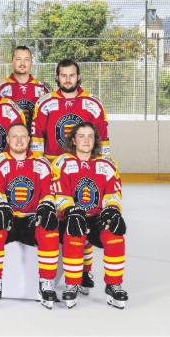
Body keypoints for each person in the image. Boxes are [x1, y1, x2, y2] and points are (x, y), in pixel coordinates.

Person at [51, 122, 127, 309]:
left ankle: (114, 284)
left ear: (96, 140)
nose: (86, 140)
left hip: (97, 217)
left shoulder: (107, 164)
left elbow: (113, 193)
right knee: (74, 234)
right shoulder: (62, 162)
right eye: (81, 136)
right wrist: (70, 210)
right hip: (71, 217)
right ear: (74, 140)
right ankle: (73, 283)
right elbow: (59, 193)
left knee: (115, 236)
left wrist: (112, 210)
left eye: (90, 136)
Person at [0, 123, 59, 309]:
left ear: (29, 139)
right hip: (7, 217)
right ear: (7, 140)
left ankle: (46, 283)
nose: (18, 140)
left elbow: (49, 191)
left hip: (30, 218)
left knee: (49, 229)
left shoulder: (41, 164)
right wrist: (1, 206)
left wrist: (46, 206)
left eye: (23, 136)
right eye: (14, 136)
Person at [31, 59, 110, 160]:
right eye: (63, 76)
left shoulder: (93, 103)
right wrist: (38, 161)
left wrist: (103, 160)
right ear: (57, 77)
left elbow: (102, 136)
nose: (67, 80)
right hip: (53, 162)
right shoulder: (44, 103)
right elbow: (37, 136)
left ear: (78, 77)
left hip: (84, 161)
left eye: (72, 75)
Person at [0, 46, 50, 126]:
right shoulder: (1, 87)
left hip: (35, 137)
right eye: (18, 59)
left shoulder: (43, 88)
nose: (22, 63)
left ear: (31, 62)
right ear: (12, 61)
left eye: (26, 59)